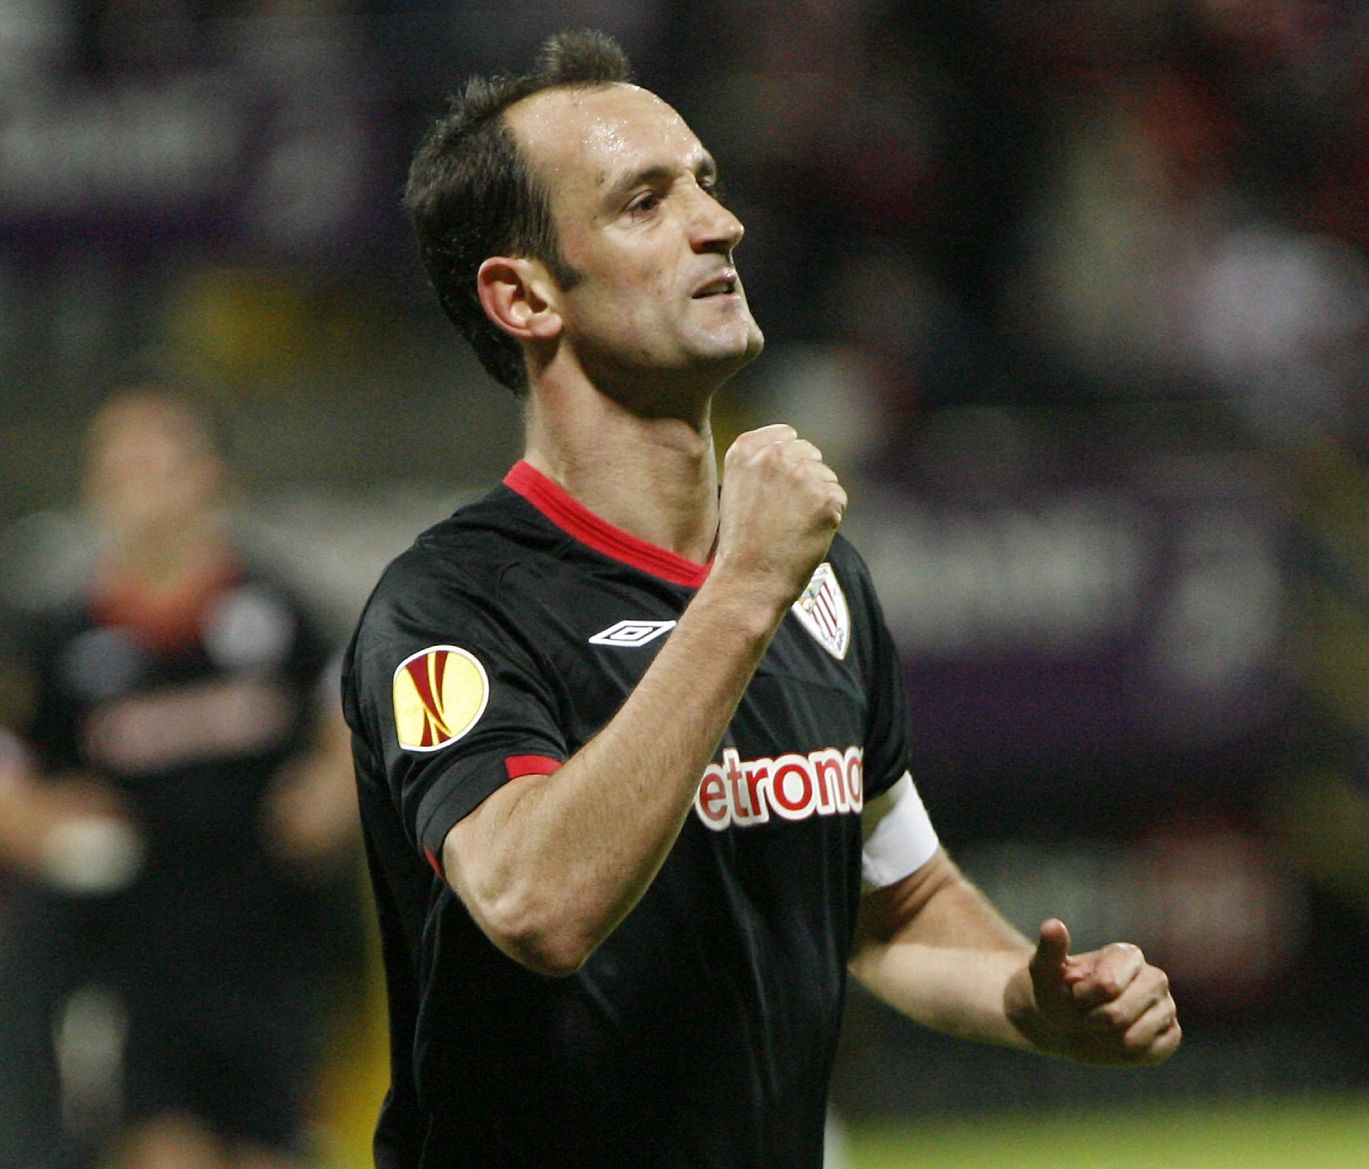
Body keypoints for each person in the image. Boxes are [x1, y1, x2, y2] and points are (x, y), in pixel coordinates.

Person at [342, 29, 1180, 1169]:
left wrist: (1027, 1000)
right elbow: (536, 901)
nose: (719, 222)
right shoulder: (451, 604)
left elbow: (896, 902)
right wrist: (739, 592)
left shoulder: (815, 579)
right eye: (645, 202)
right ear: (524, 295)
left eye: (705, 181)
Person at [0, 387, 363, 1169]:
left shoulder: (281, 614)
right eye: (122, 465)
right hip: (127, 960)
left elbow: (353, 717)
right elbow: (12, 774)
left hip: (269, 943)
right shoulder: (61, 644)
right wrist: (39, 821)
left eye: (161, 461)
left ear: (212, 475)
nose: (143, 485)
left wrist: (335, 786)